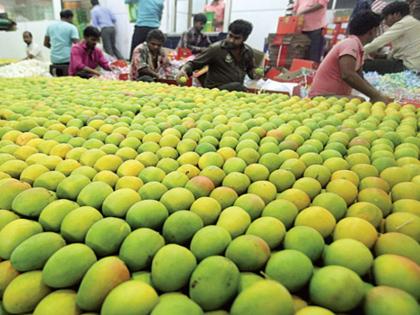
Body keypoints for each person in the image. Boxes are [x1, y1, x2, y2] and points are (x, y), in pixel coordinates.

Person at [309, 11, 392, 103]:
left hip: (333, 96)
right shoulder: (350, 44)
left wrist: (378, 95)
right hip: (321, 97)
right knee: (359, 101)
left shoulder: (357, 46)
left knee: (361, 101)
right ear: (372, 31)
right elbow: (348, 75)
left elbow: (360, 77)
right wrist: (376, 96)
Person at [177, 19, 260, 92]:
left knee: (238, 87)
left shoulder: (247, 51)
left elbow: (251, 70)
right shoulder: (216, 49)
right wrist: (184, 70)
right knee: (237, 86)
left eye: (236, 38)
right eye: (230, 36)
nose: (231, 40)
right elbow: (194, 64)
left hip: (235, 94)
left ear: (245, 38)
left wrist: (258, 72)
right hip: (215, 92)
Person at [364, 1, 420, 73]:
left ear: (397, 14)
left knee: (366, 65)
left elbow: (379, 42)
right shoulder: (412, 21)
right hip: (413, 64)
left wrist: (359, 51)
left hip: (409, 66)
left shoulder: (402, 24)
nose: (384, 22)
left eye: (386, 18)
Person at [44, 10, 79, 76]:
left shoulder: (50, 27)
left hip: (54, 60)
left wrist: (55, 48)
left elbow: (45, 43)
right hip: (67, 59)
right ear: (70, 17)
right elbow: (77, 44)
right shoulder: (72, 27)